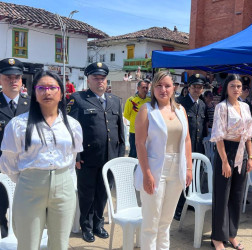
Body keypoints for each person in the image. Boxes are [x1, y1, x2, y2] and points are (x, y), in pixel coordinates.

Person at [0, 70, 83, 249]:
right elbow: (8, 163)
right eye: (41, 88)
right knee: (28, 244)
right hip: (29, 187)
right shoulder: (18, 125)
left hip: (64, 188)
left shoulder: (73, 125)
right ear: (33, 93)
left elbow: (71, 158)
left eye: (52, 87)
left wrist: (64, 181)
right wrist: (28, 179)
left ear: (61, 92)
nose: (47, 92)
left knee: (59, 244)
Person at [133, 71, 192, 249]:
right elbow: (140, 144)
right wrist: (146, 174)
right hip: (155, 167)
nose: (163, 89)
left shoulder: (180, 110)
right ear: (152, 88)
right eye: (158, 85)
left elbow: (187, 139)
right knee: (151, 222)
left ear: (174, 88)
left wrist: (188, 168)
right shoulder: (147, 110)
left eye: (167, 85)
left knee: (165, 222)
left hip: (176, 168)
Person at [67, 62, 126, 242]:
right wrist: (76, 155)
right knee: (87, 193)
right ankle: (86, 226)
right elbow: (70, 129)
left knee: (103, 193)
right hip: (87, 158)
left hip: (110, 156)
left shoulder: (115, 100)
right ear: (88, 79)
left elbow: (119, 130)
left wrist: (120, 154)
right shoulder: (78, 99)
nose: (100, 81)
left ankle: (98, 224)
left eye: (102, 78)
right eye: (96, 78)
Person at [210, 74, 252, 250]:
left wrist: (250, 157)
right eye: (233, 86)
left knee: (236, 195)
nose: (237, 89)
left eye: (239, 86)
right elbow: (218, 137)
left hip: (242, 151)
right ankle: (217, 237)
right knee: (222, 195)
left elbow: (249, 134)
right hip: (225, 151)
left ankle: (231, 234)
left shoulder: (245, 106)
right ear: (226, 88)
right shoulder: (221, 107)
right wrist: (224, 162)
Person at [0, 58, 30, 239]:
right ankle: (3, 239)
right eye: (8, 77)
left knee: (26, 209)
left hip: (26, 168)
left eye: (17, 77)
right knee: (0, 208)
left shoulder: (32, 104)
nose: (13, 81)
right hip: (1, 169)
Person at [174, 74, 208, 220]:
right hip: (183, 148)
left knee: (194, 177)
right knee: (182, 177)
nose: (196, 89)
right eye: (194, 86)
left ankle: (190, 203)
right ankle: (178, 207)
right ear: (189, 88)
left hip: (198, 147)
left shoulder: (202, 105)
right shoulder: (179, 103)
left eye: (199, 87)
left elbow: (203, 127)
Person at [123, 80, 151, 158]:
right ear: (138, 88)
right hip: (134, 131)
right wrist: (136, 122)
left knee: (145, 153)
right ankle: (131, 169)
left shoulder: (150, 100)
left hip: (147, 131)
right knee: (133, 153)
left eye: (146, 88)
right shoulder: (131, 100)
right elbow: (126, 115)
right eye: (143, 88)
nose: (145, 89)